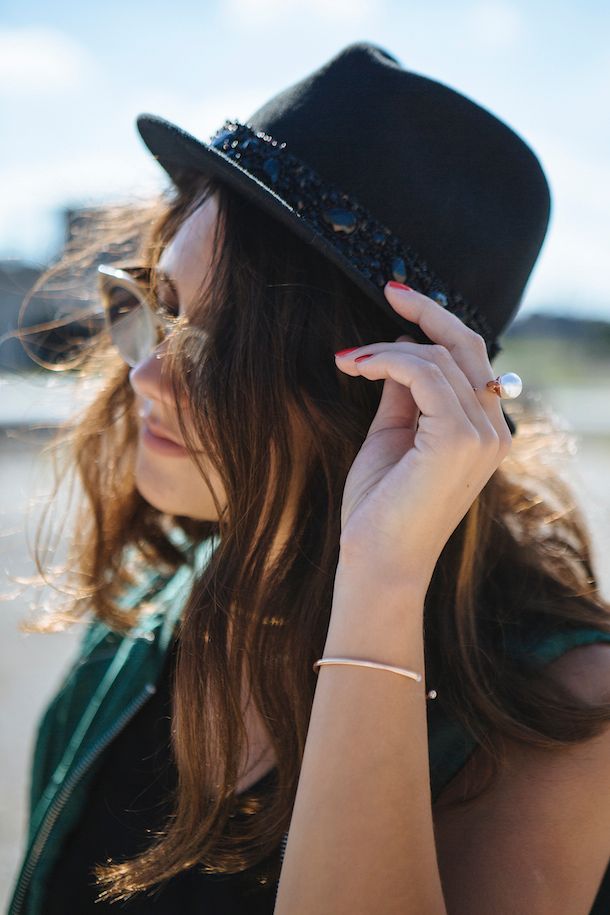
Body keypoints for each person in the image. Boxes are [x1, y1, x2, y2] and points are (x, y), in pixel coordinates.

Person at [8, 41, 610, 915]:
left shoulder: (563, 710)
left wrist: (380, 579)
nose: (145, 375)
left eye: (221, 351)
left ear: (390, 390)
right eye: (160, 309)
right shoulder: (148, 620)